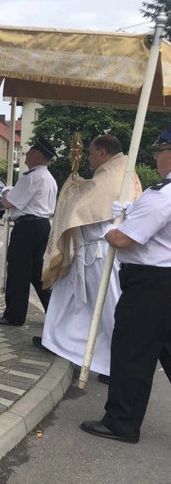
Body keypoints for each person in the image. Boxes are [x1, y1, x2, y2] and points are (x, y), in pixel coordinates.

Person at [80, 125, 171, 444]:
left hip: (150, 286)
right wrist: (131, 210)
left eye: (160, 151)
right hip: (163, 283)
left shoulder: (163, 194)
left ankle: (122, 422)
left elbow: (122, 238)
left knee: (132, 354)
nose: (157, 157)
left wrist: (108, 226)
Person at [38, 135, 141, 377]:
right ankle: (83, 354)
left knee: (109, 312)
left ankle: (120, 364)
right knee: (78, 308)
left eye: (93, 155)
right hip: (93, 255)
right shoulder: (122, 172)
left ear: (103, 153)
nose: (91, 161)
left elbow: (81, 204)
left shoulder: (112, 176)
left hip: (100, 256)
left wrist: (73, 184)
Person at [0, 137, 58, 327]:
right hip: (42, 225)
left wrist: (6, 191)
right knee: (35, 272)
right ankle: (54, 312)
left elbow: (7, 203)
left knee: (18, 270)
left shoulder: (31, 177)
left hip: (27, 227)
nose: (26, 154)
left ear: (38, 156)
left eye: (30, 152)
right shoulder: (49, 178)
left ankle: (14, 314)